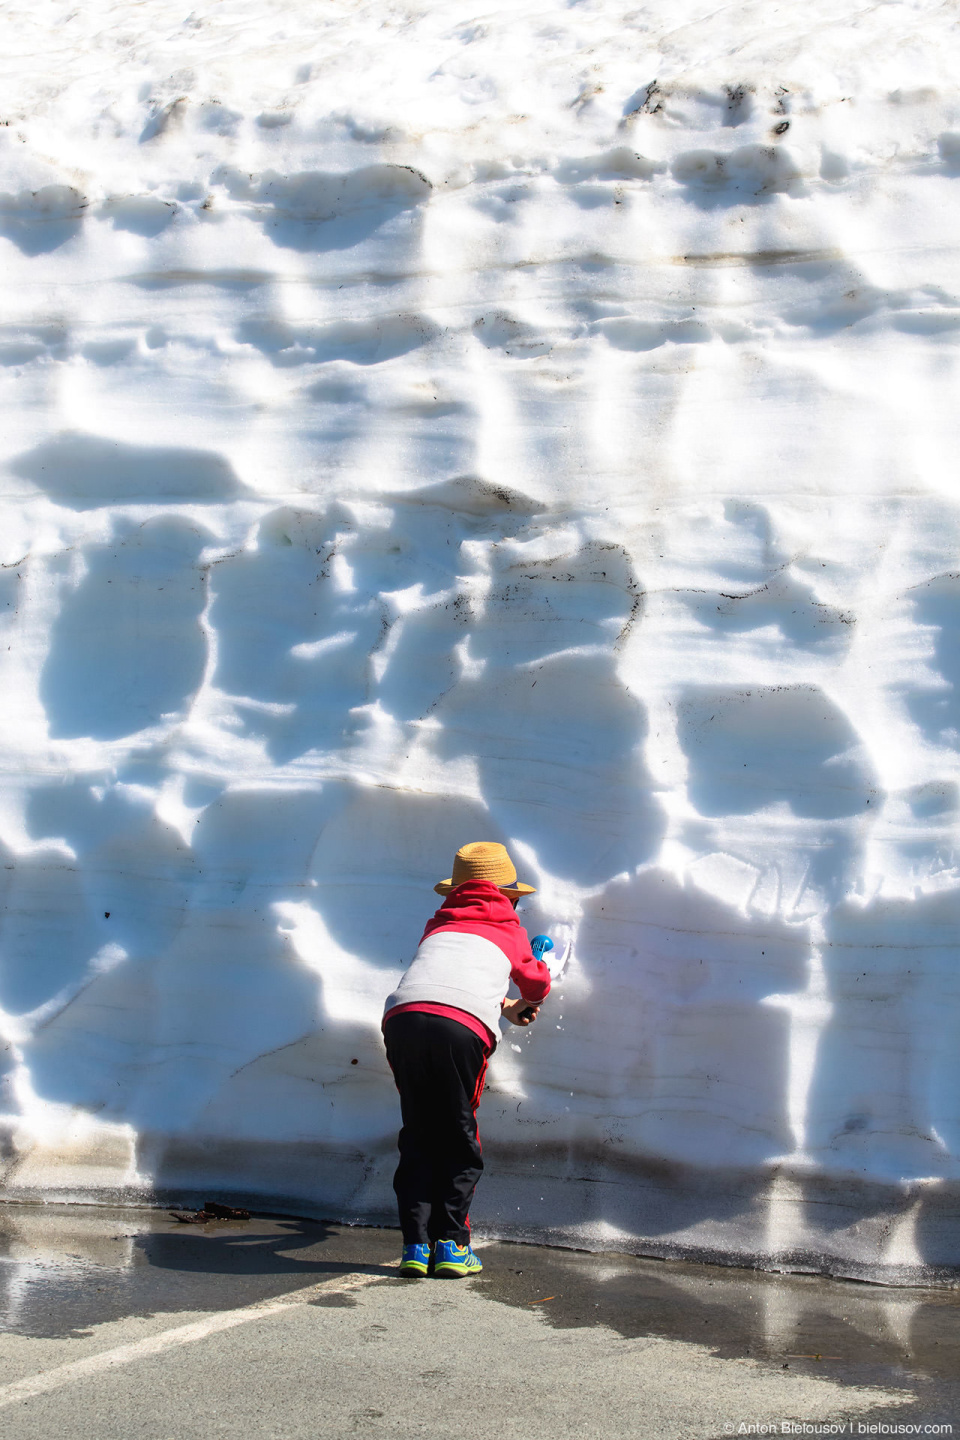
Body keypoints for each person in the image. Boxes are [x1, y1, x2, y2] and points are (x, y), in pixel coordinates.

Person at [382, 841, 551, 1278]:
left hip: (403, 1018)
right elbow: (534, 986)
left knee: (418, 1132)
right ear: (509, 896)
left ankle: (416, 1248)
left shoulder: (439, 925)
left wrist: (504, 1006)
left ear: (454, 892)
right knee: (458, 1134)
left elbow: (450, 984)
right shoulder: (509, 926)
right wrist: (538, 978)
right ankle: (453, 1245)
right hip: (460, 1032)